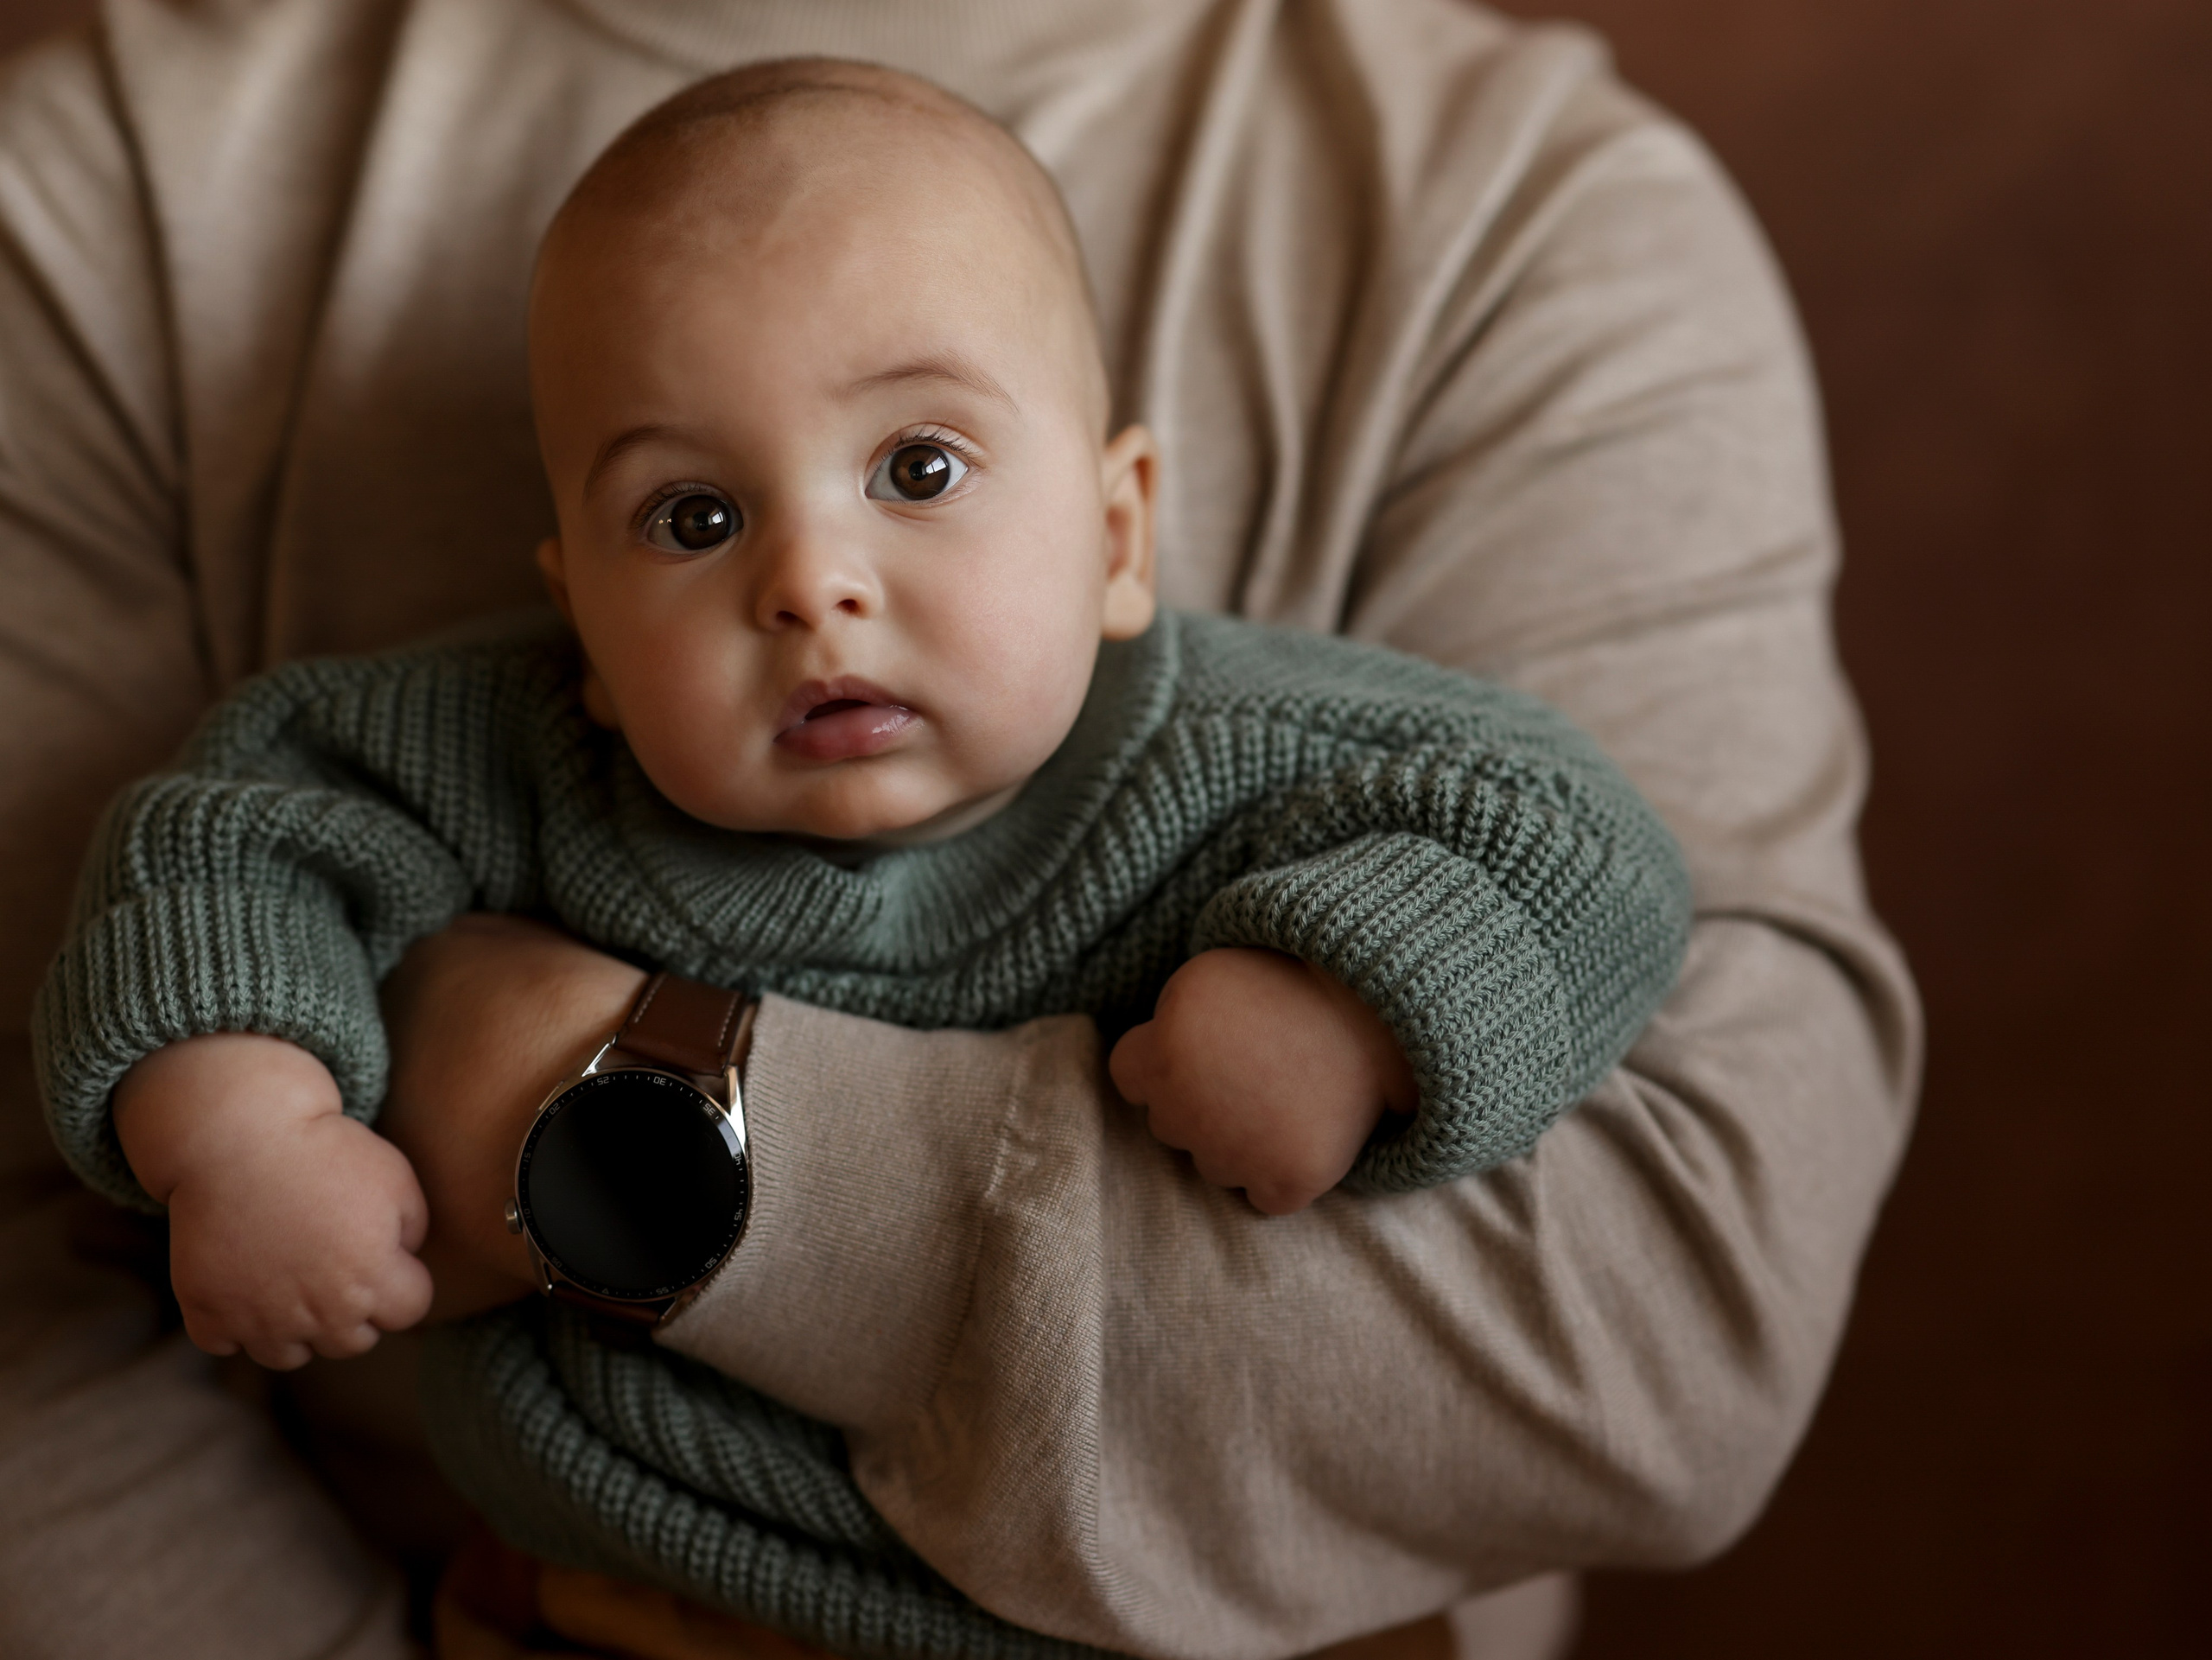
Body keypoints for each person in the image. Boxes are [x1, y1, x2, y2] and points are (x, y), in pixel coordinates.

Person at [0, 2, 1920, 1657]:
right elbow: (230, 833)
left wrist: (1354, 996)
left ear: (1119, 535)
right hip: (596, 1608)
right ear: (577, 612)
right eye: (691, 519)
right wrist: (239, 1118)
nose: (810, 581)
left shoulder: (1264, 708)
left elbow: (1569, 855)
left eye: (918, 469)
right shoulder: (492, 725)